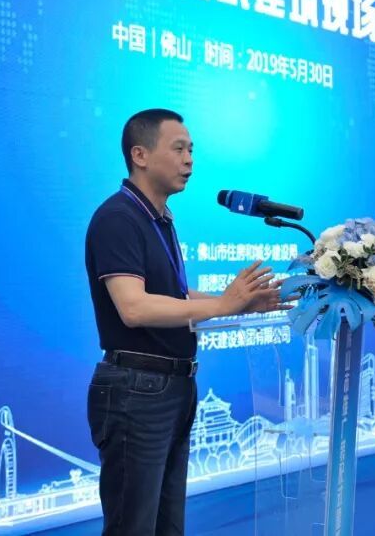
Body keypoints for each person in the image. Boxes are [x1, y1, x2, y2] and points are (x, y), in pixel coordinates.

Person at [84, 108, 286, 535]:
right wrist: (223, 304)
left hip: (173, 388)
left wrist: (242, 304)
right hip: (137, 390)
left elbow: (176, 297)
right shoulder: (118, 217)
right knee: (133, 527)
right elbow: (133, 307)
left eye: (191, 150)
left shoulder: (160, 219)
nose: (189, 159)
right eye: (178, 149)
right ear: (140, 155)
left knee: (167, 527)